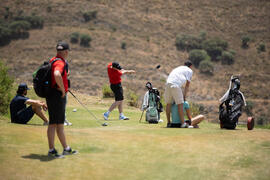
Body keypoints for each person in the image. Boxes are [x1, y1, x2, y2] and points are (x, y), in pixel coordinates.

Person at [46, 41, 77, 158]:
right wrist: (63, 90)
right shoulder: (60, 63)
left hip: (52, 94)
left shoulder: (53, 60)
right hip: (57, 95)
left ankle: (66, 148)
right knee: (54, 124)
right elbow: (57, 74)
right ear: (66, 52)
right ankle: (51, 150)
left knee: (59, 124)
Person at [164, 60, 193, 128]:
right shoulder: (189, 70)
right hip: (175, 85)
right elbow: (187, 85)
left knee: (168, 103)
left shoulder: (178, 68)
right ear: (191, 66)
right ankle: (183, 124)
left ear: (184, 64)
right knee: (180, 103)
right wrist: (184, 96)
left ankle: (168, 123)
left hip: (168, 84)